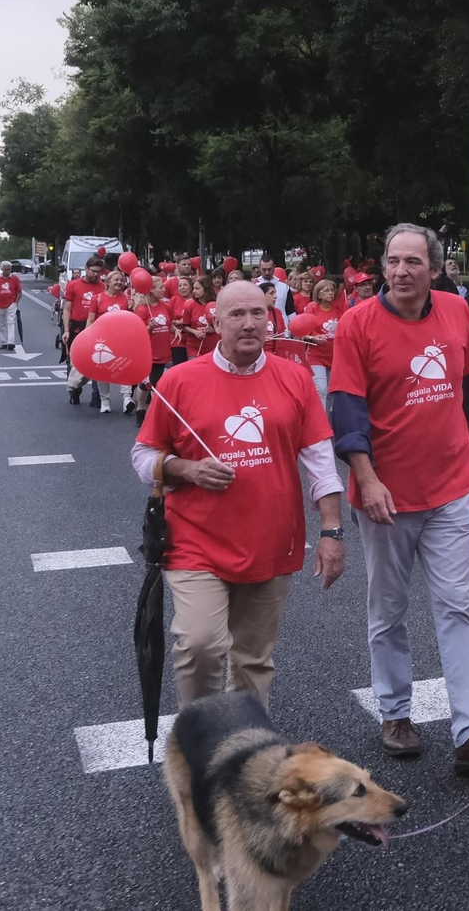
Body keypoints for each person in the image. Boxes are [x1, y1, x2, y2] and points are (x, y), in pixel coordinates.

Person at [331, 224, 469, 776]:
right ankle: (395, 714)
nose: (400, 271)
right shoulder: (357, 325)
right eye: (392, 261)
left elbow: (468, 391)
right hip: (387, 496)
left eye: (413, 262)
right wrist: (366, 479)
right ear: (381, 266)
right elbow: (346, 412)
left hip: (452, 488)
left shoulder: (456, 311)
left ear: (434, 269)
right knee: (388, 610)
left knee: (457, 607)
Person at [130, 281, 346, 707]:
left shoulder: (295, 378)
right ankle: (201, 743)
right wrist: (184, 468)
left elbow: (321, 462)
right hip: (195, 540)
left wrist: (332, 532)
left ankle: (245, 755)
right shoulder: (179, 380)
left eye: (259, 314)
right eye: (236, 315)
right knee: (200, 644)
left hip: (270, 539)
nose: (249, 324)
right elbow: (142, 456)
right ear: (215, 322)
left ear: (271, 319)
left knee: (252, 660)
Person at [87, 270, 135, 415]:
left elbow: (132, 319)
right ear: (107, 282)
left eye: (121, 280)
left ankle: (126, 399)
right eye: (116, 280)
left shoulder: (126, 298)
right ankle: (105, 401)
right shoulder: (97, 298)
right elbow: (91, 320)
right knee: (102, 370)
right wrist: (86, 337)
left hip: (122, 339)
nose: (119, 282)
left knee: (124, 368)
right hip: (102, 340)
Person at [64, 256, 107, 407]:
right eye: (93, 271)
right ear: (86, 268)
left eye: (99, 272)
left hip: (96, 328)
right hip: (76, 327)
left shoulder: (102, 286)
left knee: (97, 361)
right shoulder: (74, 285)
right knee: (74, 361)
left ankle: (96, 396)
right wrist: (65, 329)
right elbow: (67, 309)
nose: (96, 274)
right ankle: (74, 390)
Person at [131, 286, 175, 425]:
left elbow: (170, 324)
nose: (163, 289)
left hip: (163, 350)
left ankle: (149, 413)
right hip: (148, 351)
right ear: (151, 290)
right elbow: (136, 332)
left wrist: (176, 331)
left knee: (154, 383)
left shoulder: (166, 307)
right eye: (160, 287)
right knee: (150, 384)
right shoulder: (142, 309)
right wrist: (148, 327)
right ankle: (142, 410)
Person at [305, 277, 345, 410]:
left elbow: (346, 327)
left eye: (332, 290)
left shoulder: (339, 308)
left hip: (335, 356)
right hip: (316, 356)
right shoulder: (312, 308)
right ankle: (321, 424)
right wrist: (313, 338)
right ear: (319, 294)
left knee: (331, 391)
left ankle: (328, 423)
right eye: (326, 291)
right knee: (321, 389)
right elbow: (301, 332)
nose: (331, 293)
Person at [178, 276, 216, 359]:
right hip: (194, 346)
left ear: (206, 289)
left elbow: (225, 325)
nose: (194, 291)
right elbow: (184, 326)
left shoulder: (217, 304)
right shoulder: (190, 305)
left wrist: (213, 329)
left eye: (197, 288)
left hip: (212, 346)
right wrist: (195, 332)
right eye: (193, 288)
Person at [0, 261, 22, 350]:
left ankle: (11, 342)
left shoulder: (15, 279)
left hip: (11, 304)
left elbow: (19, 291)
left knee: (11, 322)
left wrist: (16, 302)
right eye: (7, 269)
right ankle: (3, 342)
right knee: (0, 324)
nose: (8, 271)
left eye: (10, 269)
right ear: (2, 269)